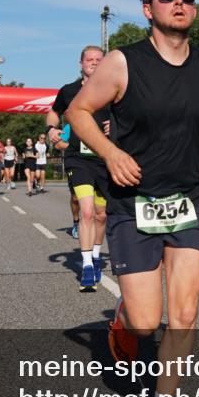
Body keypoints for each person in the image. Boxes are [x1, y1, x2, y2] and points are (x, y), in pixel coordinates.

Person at [67, 0, 199, 397]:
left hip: (190, 200)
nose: (179, 2)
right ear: (149, 8)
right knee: (146, 321)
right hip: (133, 204)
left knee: (184, 313)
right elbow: (78, 112)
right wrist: (111, 153)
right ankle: (122, 322)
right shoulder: (123, 63)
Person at [47, 45, 111, 291]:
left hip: (104, 158)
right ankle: (86, 265)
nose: (94, 63)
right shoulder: (69, 91)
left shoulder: (113, 91)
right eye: (89, 59)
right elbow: (53, 114)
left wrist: (114, 128)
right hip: (78, 159)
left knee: (101, 214)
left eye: (98, 59)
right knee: (86, 212)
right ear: (80, 63)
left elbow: (129, 119)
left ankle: (96, 255)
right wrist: (51, 129)